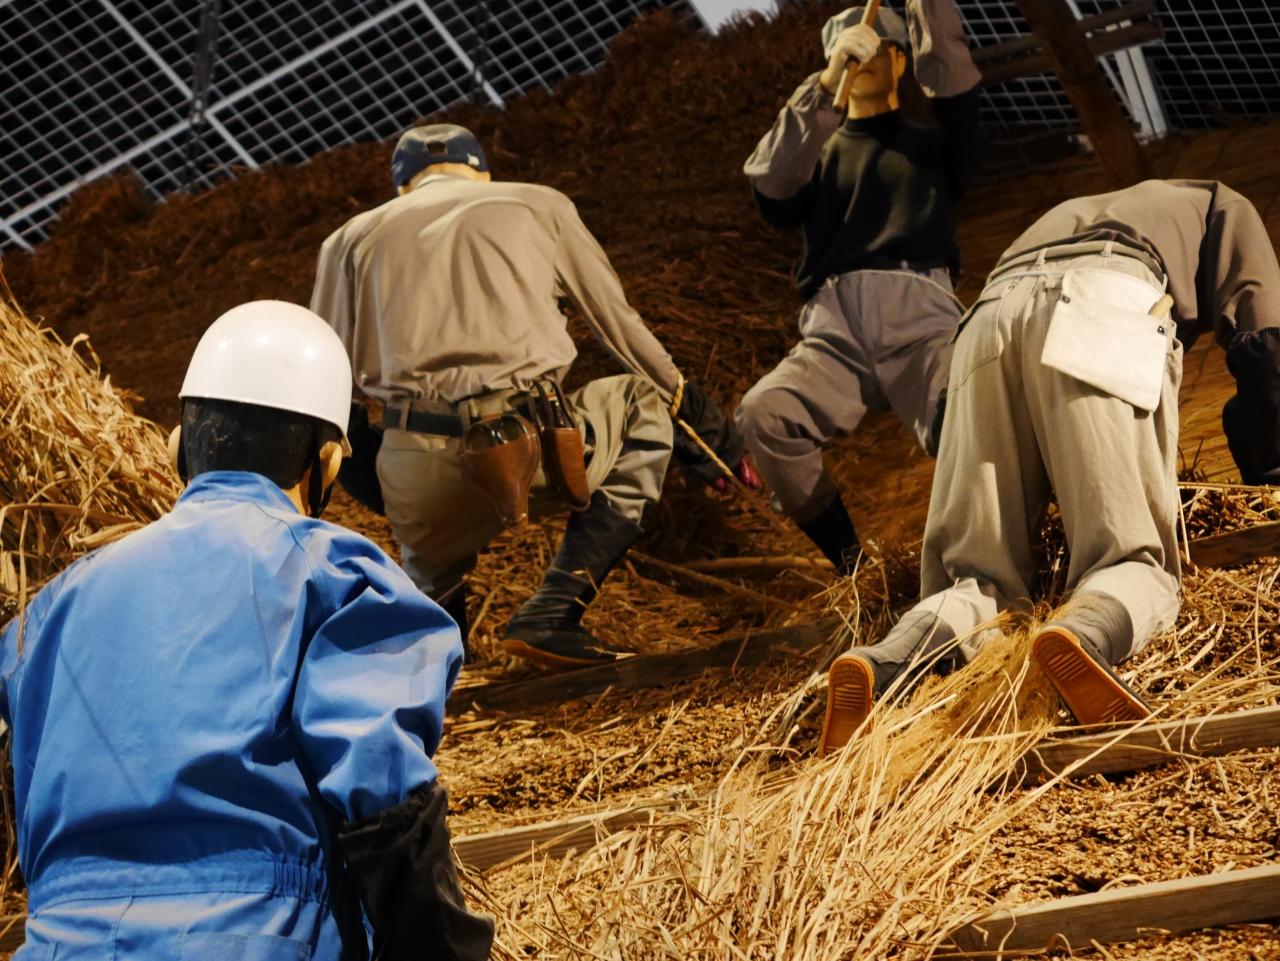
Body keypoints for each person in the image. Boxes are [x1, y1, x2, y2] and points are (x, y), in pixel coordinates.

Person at [0, 301, 493, 959]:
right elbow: (382, 788)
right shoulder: (334, 573)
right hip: (259, 937)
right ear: (328, 463)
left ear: (177, 447)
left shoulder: (45, 613)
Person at [820, 180, 1280, 755]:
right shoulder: (1223, 204)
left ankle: (885, 661)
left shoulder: (1072, 213)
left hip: (985, 322)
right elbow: (1267, 348)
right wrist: (1268, 480)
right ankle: (1083, 630)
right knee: (1132, 560)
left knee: (977, 577)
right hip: (1102, 301)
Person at [311, 123, 753, 670]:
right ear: (480, 172)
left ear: (402, 187)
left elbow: (322, 375)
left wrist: (363, 469)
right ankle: (555, 611)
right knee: (640, 402)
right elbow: (619, 326)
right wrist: (694, 414)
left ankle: (444, 662)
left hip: (418, 467)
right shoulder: (540, 204)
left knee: (427, 558)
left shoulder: (348, 240)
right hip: (539, 448)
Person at [735, 0, 983, 573]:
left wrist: (926, 8)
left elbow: (954, 86)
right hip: (834, 330)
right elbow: (770, 188)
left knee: (969, 409)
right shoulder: (813, 156)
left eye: (878, 50)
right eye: (848, 55)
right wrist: (823, 89)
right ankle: (854, 571)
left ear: (901, 61)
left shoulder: (931, 147)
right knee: (765, 414)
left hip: (921, 317)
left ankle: (993, 546)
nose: (863, 59)